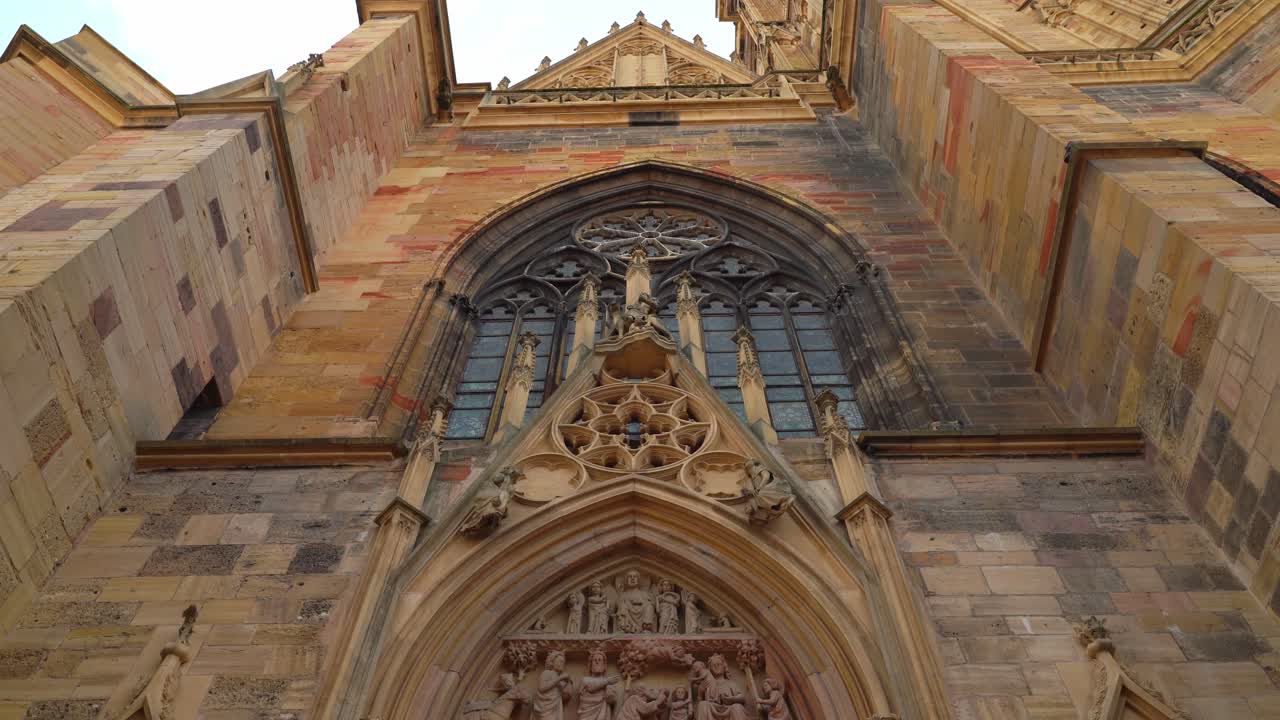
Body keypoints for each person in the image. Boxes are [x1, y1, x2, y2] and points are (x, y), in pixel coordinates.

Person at [693, 654, 749, 720]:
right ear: (710, 669)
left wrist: (731, 699)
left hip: (729, 709)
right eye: (714, 665)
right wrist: (701, 692)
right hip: (712, 709)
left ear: (724, 666)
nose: (717, 666)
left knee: (737, 707)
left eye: (719, 664)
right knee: (703, 705)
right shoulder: (706, 683)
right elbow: (699, 702)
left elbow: (742, 698)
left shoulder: (730, 683)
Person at [577, 649, 620, 720]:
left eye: (600, 660)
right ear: (590, 665)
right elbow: (590, 687)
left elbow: (612, 701)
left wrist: (611, 693)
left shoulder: (609, 683)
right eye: (595, 660)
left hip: (603, 713)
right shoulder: (585, 680)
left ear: (604, 665)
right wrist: (607, 682)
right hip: (586, 714)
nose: (597, 662)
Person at [533, 650, 573, 720]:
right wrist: (560, 678)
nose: (562, 664)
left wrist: (568, 682)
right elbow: (542, 688)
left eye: (563, 662)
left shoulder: (557, 677)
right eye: (560, 661)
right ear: (552, 662)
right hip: (545, 708)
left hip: (555, 707)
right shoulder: (546, 673)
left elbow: (564, 694)